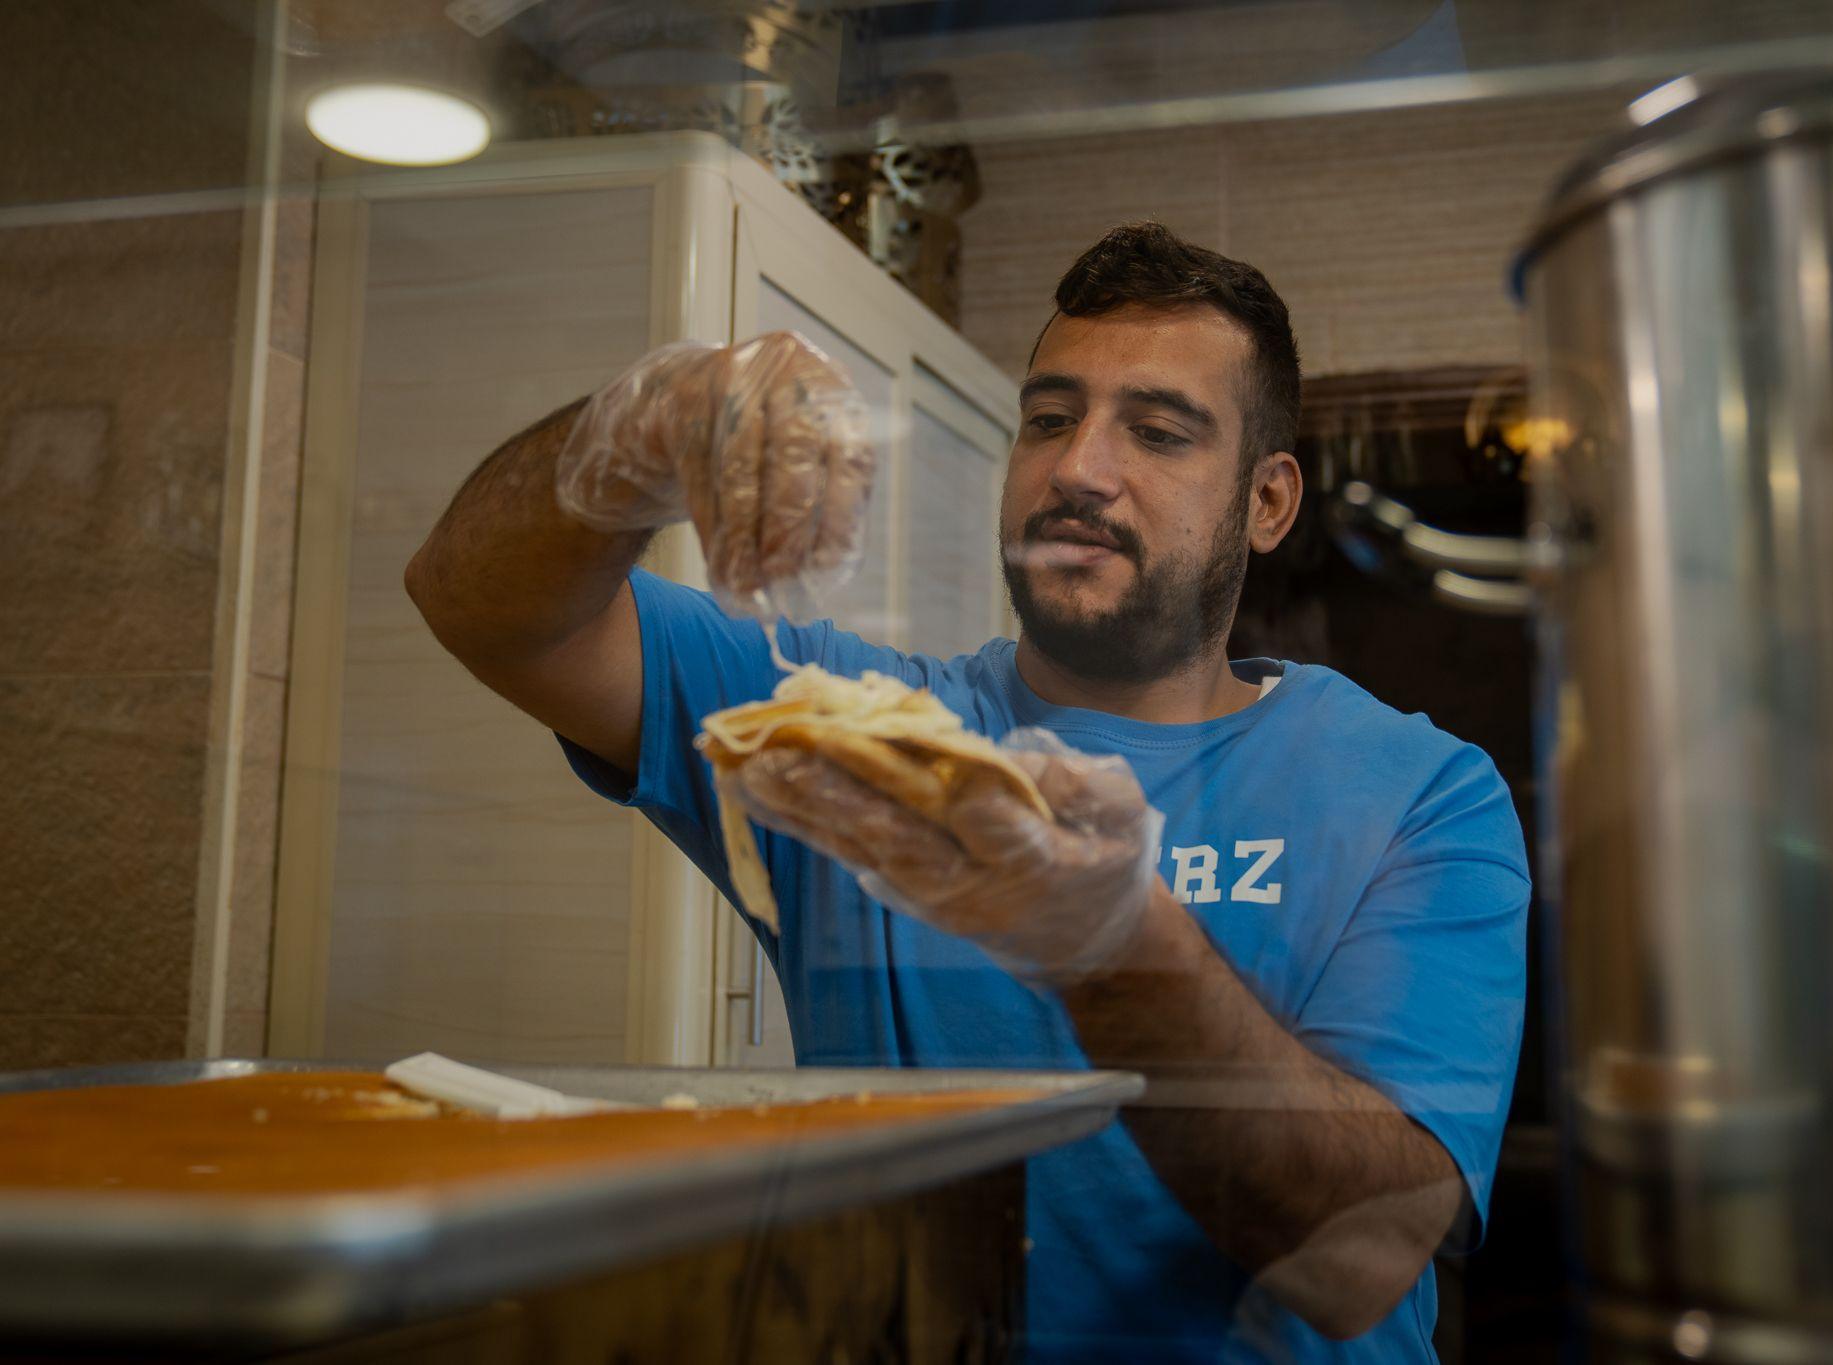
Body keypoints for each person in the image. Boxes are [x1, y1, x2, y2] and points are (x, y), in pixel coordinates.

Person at [407, 221, 1529, 1362]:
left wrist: (1117, 941)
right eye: (1048, 419)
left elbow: (1358, 1259)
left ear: (1266, 501)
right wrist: (633, 435)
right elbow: (479, 606)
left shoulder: (1417, 792)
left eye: (1156, 431)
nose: (1079, 469)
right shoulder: (845, 729)